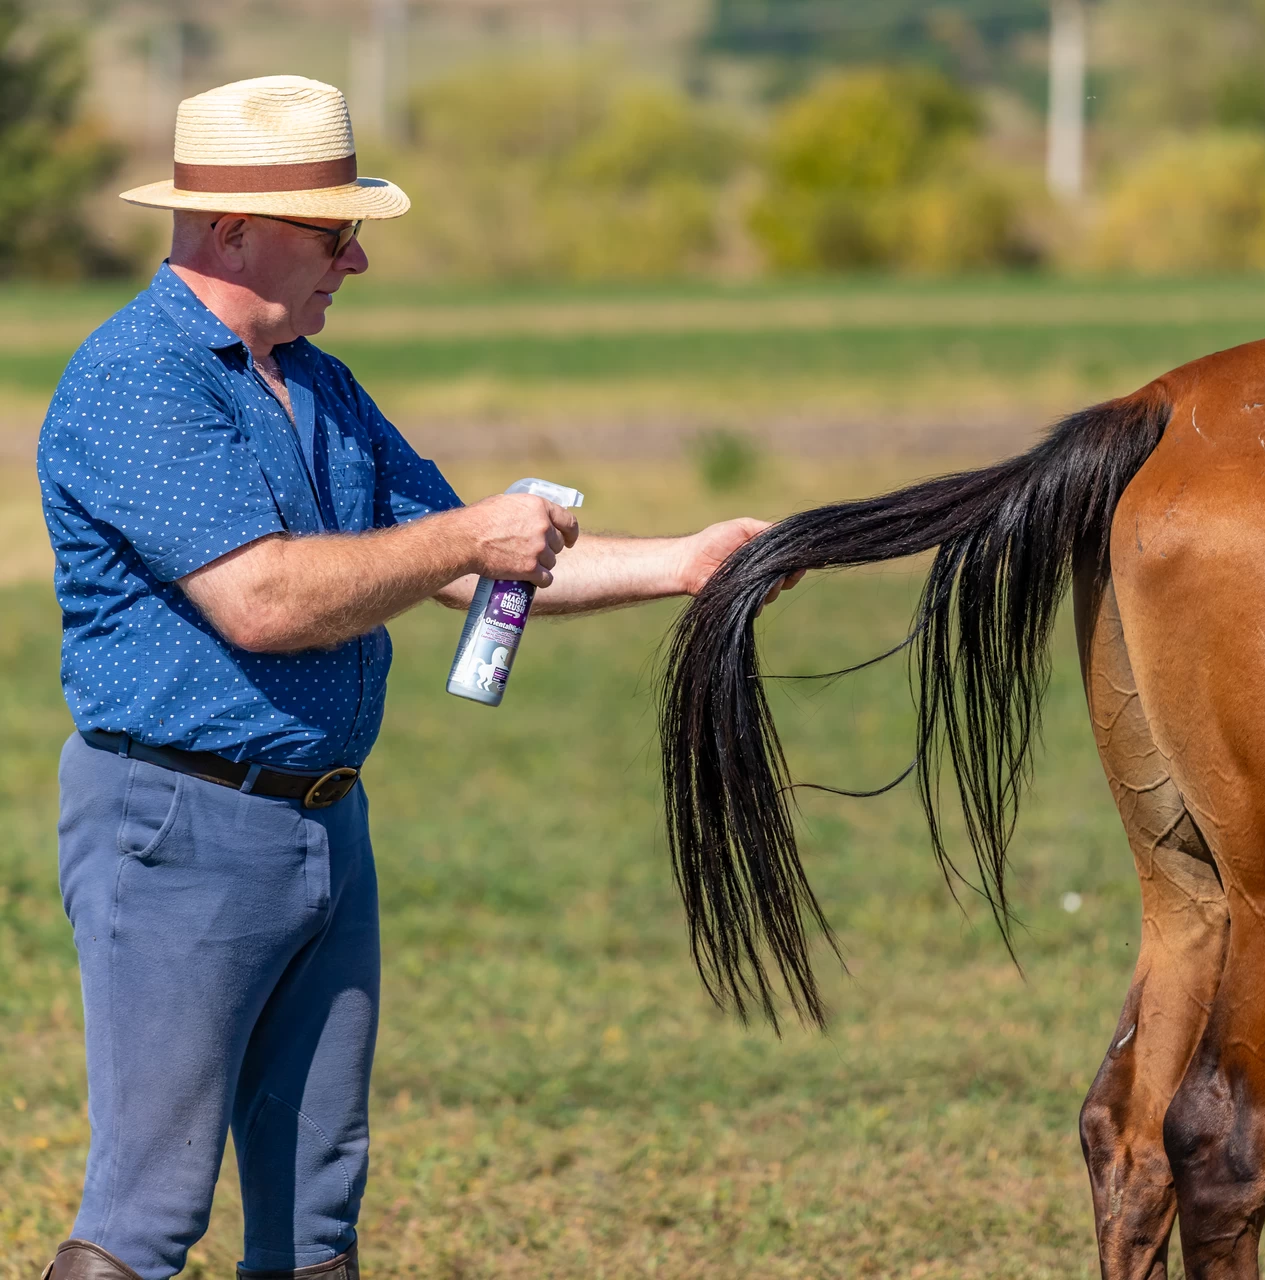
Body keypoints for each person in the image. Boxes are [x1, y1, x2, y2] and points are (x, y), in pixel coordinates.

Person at [36, 75, 799, 1280]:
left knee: (316, 1223)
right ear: (232, 227)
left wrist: (687, 564)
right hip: (178, 828)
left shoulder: (318, 381)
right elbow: (265, 597)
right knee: (146, 1217)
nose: (356, 261)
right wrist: (467, 539)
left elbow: (464, 557)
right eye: (334, 232)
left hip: (323, 825)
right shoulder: (137, 378)